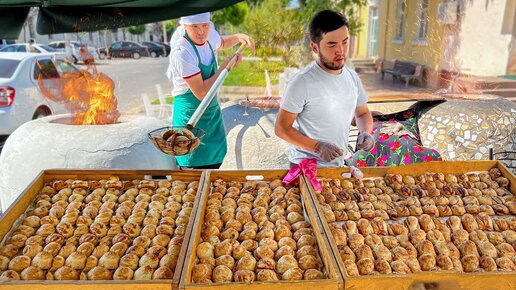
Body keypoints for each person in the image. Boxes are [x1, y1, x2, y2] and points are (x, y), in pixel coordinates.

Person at [275, 10, 375, 168]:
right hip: (305, 167)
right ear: (315, 47)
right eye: (332, 44)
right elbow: (281, 128)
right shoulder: (302, 82)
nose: (340, 50)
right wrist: (317, 147)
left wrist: (365, 132)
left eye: (345, 42)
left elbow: (362, 113)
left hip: (338, 166)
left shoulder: (352, 77)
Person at [167, 13, 254, 169]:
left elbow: (223, 43)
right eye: (195, 27)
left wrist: (240, 37)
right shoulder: (182, 52)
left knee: (217, 171)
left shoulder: (208, 36)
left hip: (211, 114)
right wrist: (225, 66)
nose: (201, 32)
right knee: (193, 176)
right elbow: (201, 93)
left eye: (205, 26)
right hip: (191, 115)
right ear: (185, 26)